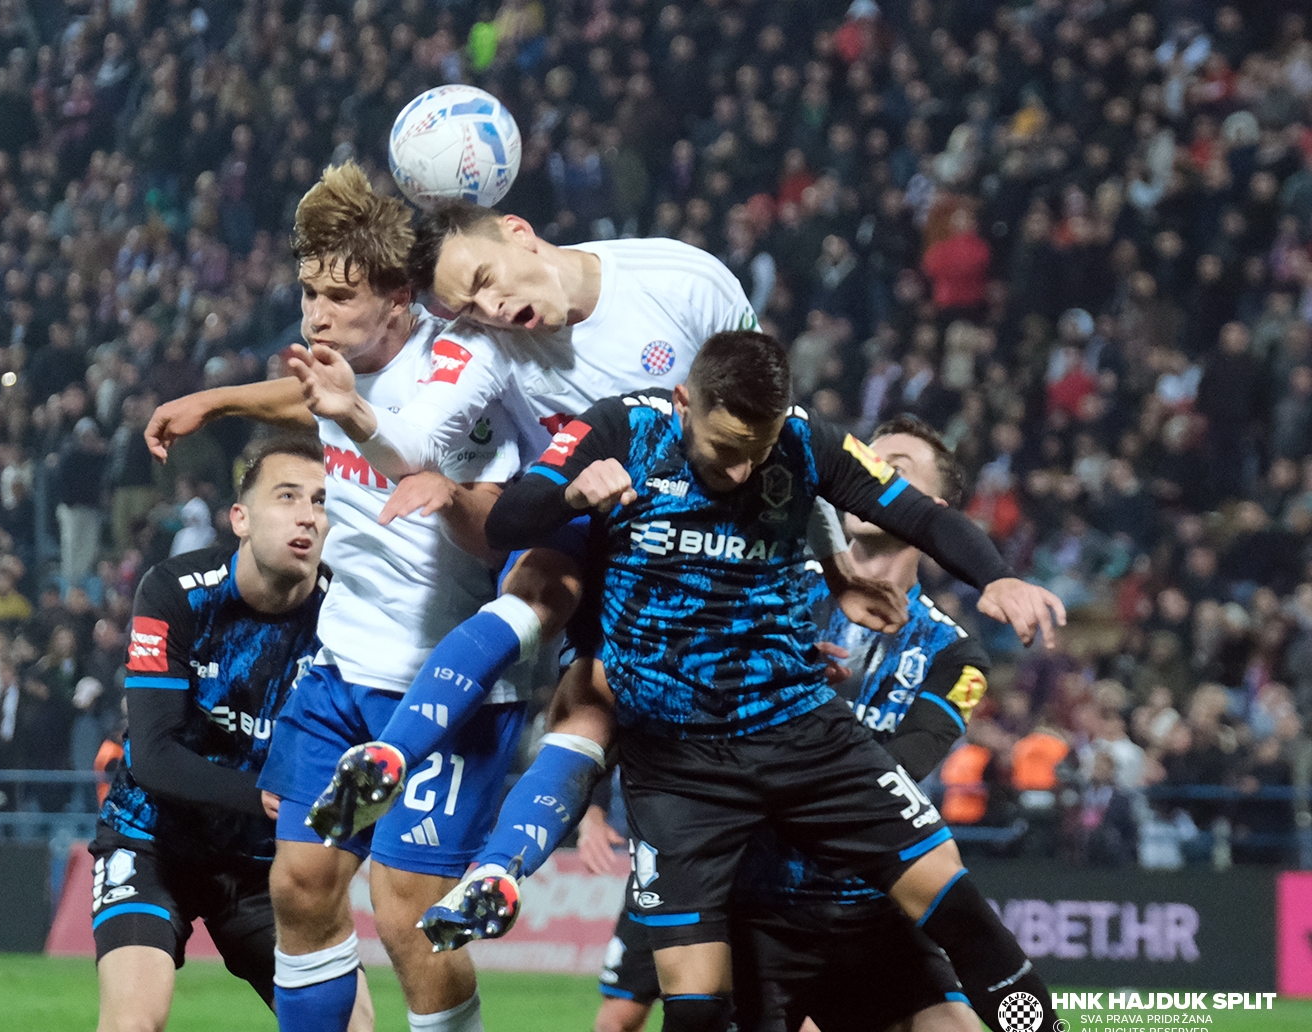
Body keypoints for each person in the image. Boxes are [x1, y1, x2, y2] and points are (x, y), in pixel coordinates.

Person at [161, 200, 901, 853]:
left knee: (600, 699)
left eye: (485, 279)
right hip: (589, 519)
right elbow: (413, 436)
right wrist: (351, 413)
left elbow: (779, 433)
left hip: (712, 539)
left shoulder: (683, 280)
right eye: (468, 306)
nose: (488, 307)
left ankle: (529, 866)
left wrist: (832, 566)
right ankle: (407, 775)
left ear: (520, 233)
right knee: (544, 603)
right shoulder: (486, 347)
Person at [464, 332, 1077, 1032]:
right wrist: (569, 494)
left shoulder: (803, 446)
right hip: (684, 771)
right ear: (685, 402)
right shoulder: (625, 429)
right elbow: (505, 521)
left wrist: (997, 576)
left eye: (756, 449)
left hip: (803, 748)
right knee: (684, 1007)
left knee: (960, 906)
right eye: (724, 447)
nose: (741, 469)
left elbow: (920, 515)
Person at [150, 163, 543, 1032]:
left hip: (453, 690)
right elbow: (312, 401)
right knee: (303, 883)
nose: (314, 315)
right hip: (339, 676)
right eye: (307, 292)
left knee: (410, 915)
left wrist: (445, 492)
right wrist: (217, 402)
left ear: (401, 299)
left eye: (339, 295)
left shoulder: (462, 372)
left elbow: (497, 539)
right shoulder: (340, 367)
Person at [575, 415, 1007, 1032]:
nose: (871, 474)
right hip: (734, 895)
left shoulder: (954, 654)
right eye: (866, 461)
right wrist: (590, 792)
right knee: (626, 1021)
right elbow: (650, 682)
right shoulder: (764, 582)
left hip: (856, 905)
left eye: (894, 469)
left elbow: (899, 767)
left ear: (928, 510)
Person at [85, 431, 369, 1032]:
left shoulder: (348, 616)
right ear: (240, 518)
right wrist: (270, 798)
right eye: (287, 496)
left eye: (322, 503)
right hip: (152, 841)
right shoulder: (177, 592)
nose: (307, 515)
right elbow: (153, 756)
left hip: (264, 865)